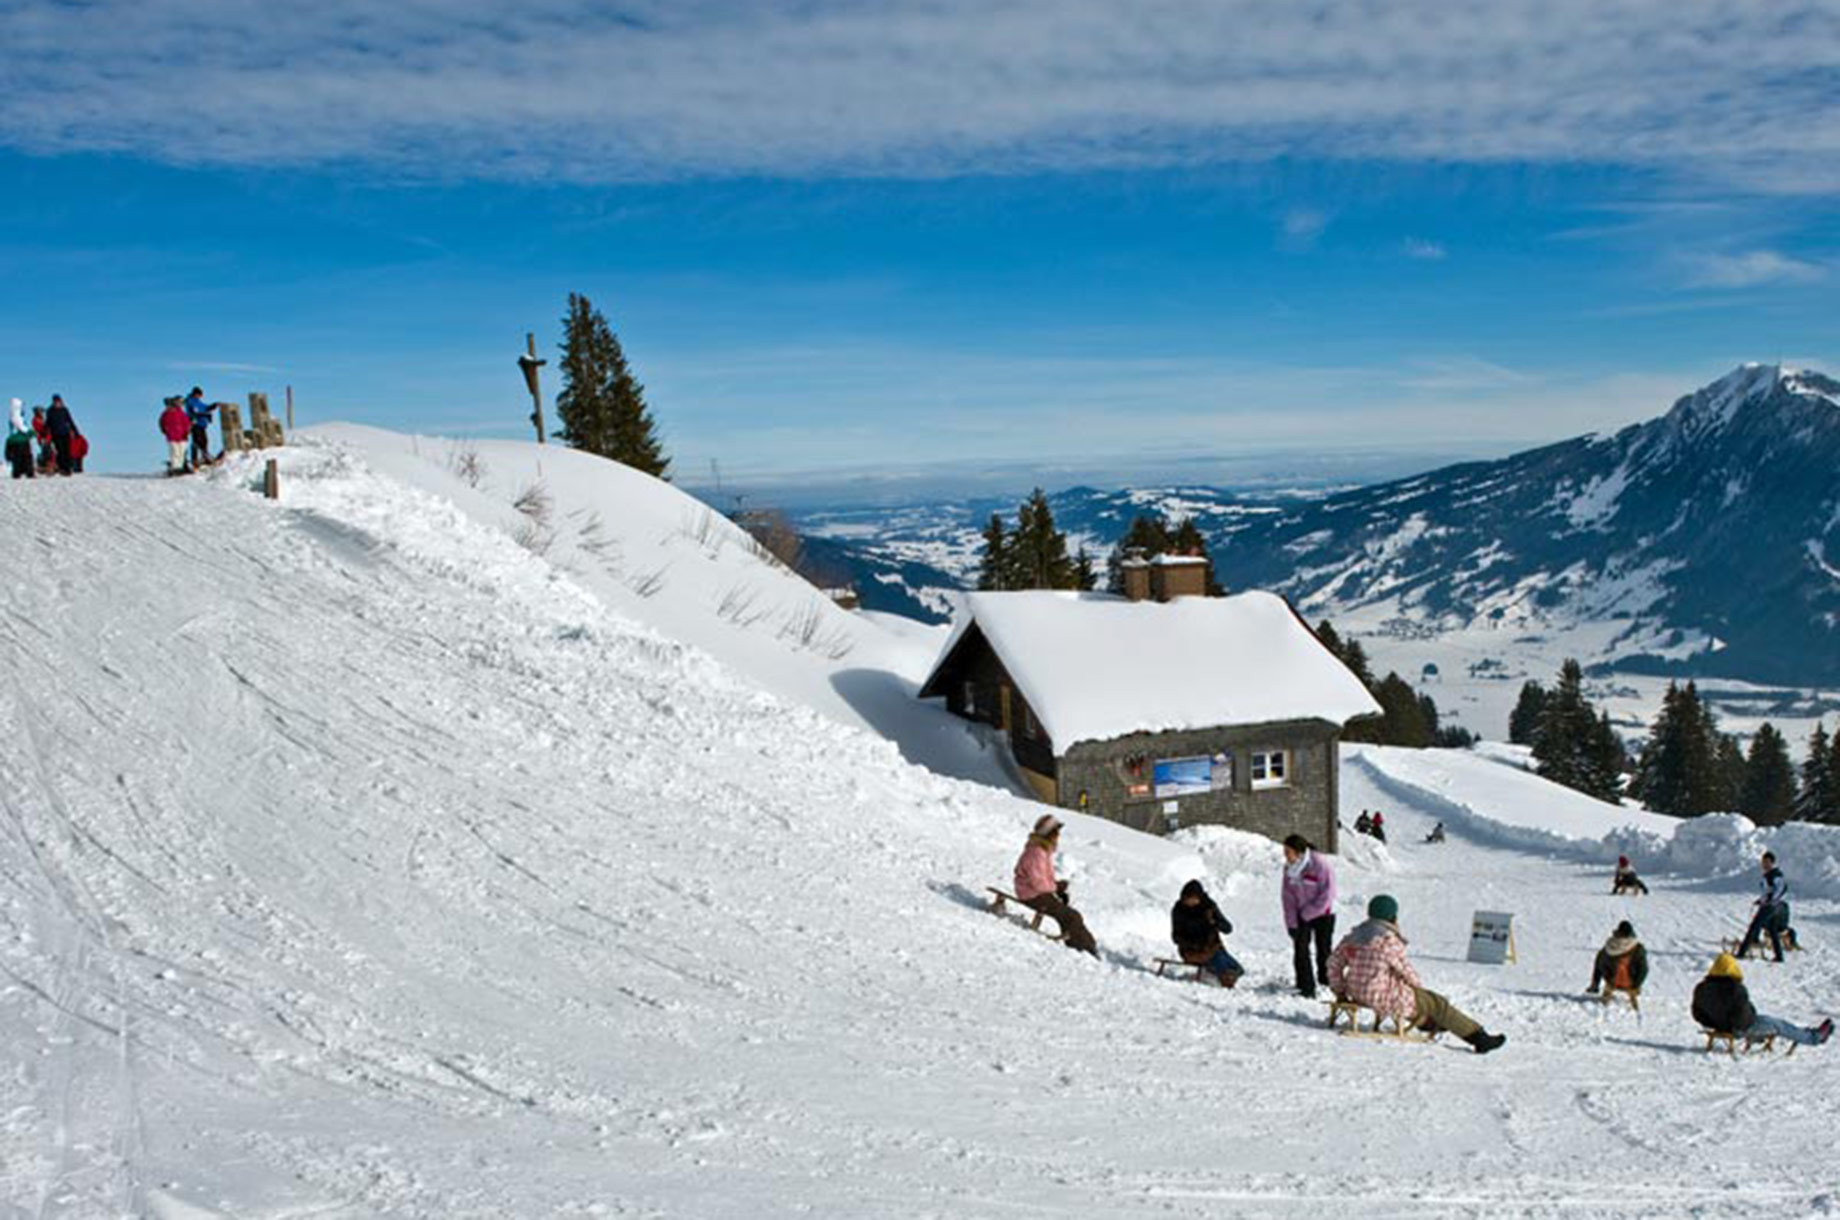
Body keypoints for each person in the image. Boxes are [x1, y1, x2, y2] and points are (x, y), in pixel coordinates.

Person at [1326, 894, 1507, 1054]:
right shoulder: (1387, 940)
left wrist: (1340, 991)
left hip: (1356, 993)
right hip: (1380, 996)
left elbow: (1333, 964)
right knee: (1437, 1003)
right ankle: (1479, 1038)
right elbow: (1408, 973)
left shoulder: (1351, 938)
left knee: (1421, 1001)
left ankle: (1429, 1023)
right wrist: (1418, 990)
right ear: (1392, 916)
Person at [1691, 952, 1831, 1048]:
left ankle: (1760, 1037)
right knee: (1779, 1024)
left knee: (1764, 1020)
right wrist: (1742, 1024)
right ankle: (1815, 1037)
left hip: (1718, 1026)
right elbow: (1742, 1016)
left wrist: (1714, 1024)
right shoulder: (1735, 989)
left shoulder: (1701, 987)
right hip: (1738, 1028)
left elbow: (1697, 1013)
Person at [1012, 814, 1098, 956]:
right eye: (1056, 832)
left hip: (1036, 893)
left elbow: (1041, 879)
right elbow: (1038, 884)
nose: (1058, 836)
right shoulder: (1036, 853)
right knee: (1071, 916)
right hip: (1032, 895)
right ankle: (1083, 948)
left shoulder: (1042, 850)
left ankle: (1086, 945)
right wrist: (1056, 887)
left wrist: (1056, 886)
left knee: (1068, 914)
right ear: (1049, 834)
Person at [1281, 833, 1336, 997]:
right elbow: (1287, 897)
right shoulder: (1289, 870)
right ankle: (1305, 987)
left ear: (1298, 851)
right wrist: (1291, 923)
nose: (1285, 856)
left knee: (1323, 950)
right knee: (1300, 950)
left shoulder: (1319, 864)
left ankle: (1327, 983)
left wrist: (1309, 913)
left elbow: (1329, 893)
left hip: (1323, 913)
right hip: (1301, 915)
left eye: (1288, 852)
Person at [1171, 879, 1243, 987]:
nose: (1188, 902)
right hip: (1190, 951)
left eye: (1192, 898)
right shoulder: (1179, 910)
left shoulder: (1208, 907)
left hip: (1211, 948)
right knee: (1226, 970)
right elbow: (1176, 936)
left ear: (1198, 897)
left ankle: (1214, 972)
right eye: (1186, 898)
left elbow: (1228, 928)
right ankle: (1220, 977)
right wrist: (1191, 943)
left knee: (1238, 969)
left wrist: (1215, 922)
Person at [1736, 851, 1790, 963]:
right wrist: (1761, 900)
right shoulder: (1769, 875)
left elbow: (1781, 889)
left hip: (1771, 907)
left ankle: (1741, 953)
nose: (1764, 864)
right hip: (1771, 906)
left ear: (1772, 862)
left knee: (1754, 926)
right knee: (1772, 929)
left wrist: (1771, 900)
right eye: (1763, 862)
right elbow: (1768, 891)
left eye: (1767, 862)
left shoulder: (1775, 875)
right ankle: (1779, 957)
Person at [1585, 920, 1648, 995]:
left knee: (1600, 958)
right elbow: (1644, 969)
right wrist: (1636, 984)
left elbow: (1601, 965)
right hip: (1631, 982)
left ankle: (1594, 985)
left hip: (1612, 981)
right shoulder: (1637, 948)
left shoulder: (1609, 946)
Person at [43, 395, 77, 477]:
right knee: (60, 451)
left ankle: (67, 468)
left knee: (67, 451)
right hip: (56, 434)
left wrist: (76, 431)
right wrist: (45, 432)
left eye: (58, 401)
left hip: (65, 433)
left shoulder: (64, 410)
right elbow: (48, 423)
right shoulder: (50, 411)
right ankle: (62, 468)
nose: (57, 403)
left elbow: (70, 421)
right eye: (56, 401)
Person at [184, 386, 216, 470]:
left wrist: (214, 406)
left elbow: (205, 407)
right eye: (199, 395)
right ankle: (194, 460)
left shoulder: (198, 402)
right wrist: (206, 414)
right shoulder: (190, 401)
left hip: (202, 425)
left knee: (204, 441)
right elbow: (195, 412)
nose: (201, 396)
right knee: (197, 442)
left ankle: (205, 457)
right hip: (195, 424)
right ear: (196, 394)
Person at [159, 397, 192, 475]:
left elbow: (186, 424)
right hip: (172, 436)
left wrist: (187, 432)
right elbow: (162, 423)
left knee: (181, 452)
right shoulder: (165, 414)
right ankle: (175, 467)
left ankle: (180, 467)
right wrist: (165, 431)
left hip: (182, 436)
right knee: (174, 451)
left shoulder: (181, 413)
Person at [5, 398, 33, 480]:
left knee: (17, 458)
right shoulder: (16, 415)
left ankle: (18, 472)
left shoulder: (12, 415)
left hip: (15, 440)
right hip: (21, 440)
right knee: (25, 457)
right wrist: (30, 432)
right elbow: (22, 427)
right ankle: (27, 472)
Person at [31, 406, 55, 473]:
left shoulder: (42, 419)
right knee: (47, 452)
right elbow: (39, 430)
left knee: (50, 451)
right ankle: (46, 466)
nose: (41, 413)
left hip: (47, 438)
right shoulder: (36, 420)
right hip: (43, 438)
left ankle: (50, 465)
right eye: (40, 412)